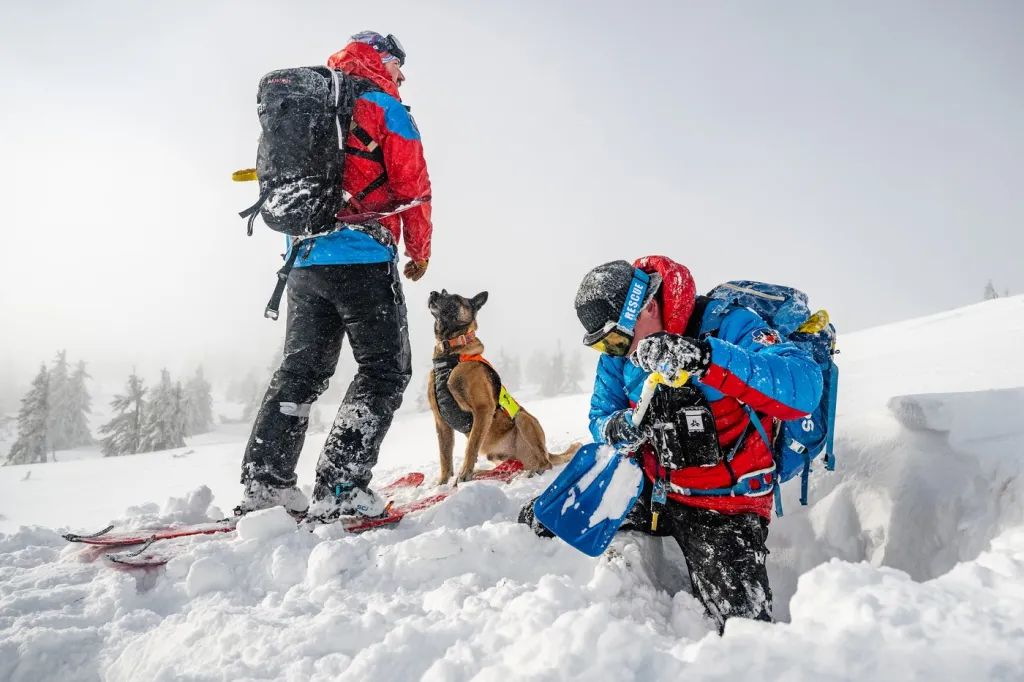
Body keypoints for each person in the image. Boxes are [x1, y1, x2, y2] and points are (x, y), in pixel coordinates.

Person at [520, 256, 822, 630]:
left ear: (646, 306)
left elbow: (804, 387)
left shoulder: (728, 324)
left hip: (723, 506)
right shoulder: (621, 354)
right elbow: (600, 413)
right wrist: (616, 427)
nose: (618, 352)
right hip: (653, 489)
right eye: (604, 346)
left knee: (746, 630)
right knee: (548, 524)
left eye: (616, 339)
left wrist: (704, 359)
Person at [237, 31, 432, 521]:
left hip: (303, 261)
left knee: (301, 373)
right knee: (385, 370)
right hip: (364, 258)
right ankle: (342, 484)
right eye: (398, 66)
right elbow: (416, 186)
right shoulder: (383, 108)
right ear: (380, 60)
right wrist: (419, 250)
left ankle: (266, 483)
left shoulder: (306, 104)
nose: (402, 77)